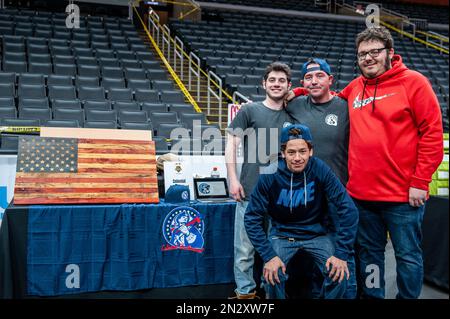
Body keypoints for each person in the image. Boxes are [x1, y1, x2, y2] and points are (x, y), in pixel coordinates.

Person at [289, 26, 444, 299]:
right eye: (362, 54)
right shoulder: (356, 87)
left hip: (403, 197)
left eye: (374, 52)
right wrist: (302, 89)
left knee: (407, 257)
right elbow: (330, 97)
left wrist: (420, 182)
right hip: (361, 197)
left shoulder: (414, 82)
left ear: (390, 53)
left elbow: (431, 133)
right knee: (369, 256)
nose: (368, 58)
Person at [244, 124, 358, 299]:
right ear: (283, 153)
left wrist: (341, 254)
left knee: (339, 273)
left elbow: (349, 210)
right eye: (291, 152)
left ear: (310, 151)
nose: (297, 158)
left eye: (302, 151)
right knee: (272, 275)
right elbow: (251, 218)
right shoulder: (269, 174)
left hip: (316, 234)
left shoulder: (320, 169)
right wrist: (269, 256)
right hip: (281, 234)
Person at [285, 57, 357, 298]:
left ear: (330, 80)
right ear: (302, 82)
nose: (314, 81)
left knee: (343, 254)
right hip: (308, 196)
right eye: (308, 77)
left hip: (338, 195)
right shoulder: (294, 104)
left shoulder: (345, 106)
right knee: (315, 256)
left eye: (319, 76)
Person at [225, 62, 294, 299]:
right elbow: (231, 145)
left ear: (288, 86)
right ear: (264, 84)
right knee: (244, 250)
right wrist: (233, 179)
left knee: (275, 250)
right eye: (272, 80)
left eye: (281, 81)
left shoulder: (292, 114)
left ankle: (270, 292)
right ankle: (245, 294)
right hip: (250, 192)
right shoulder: (249, 110)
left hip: (281, 196)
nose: (276, 84)